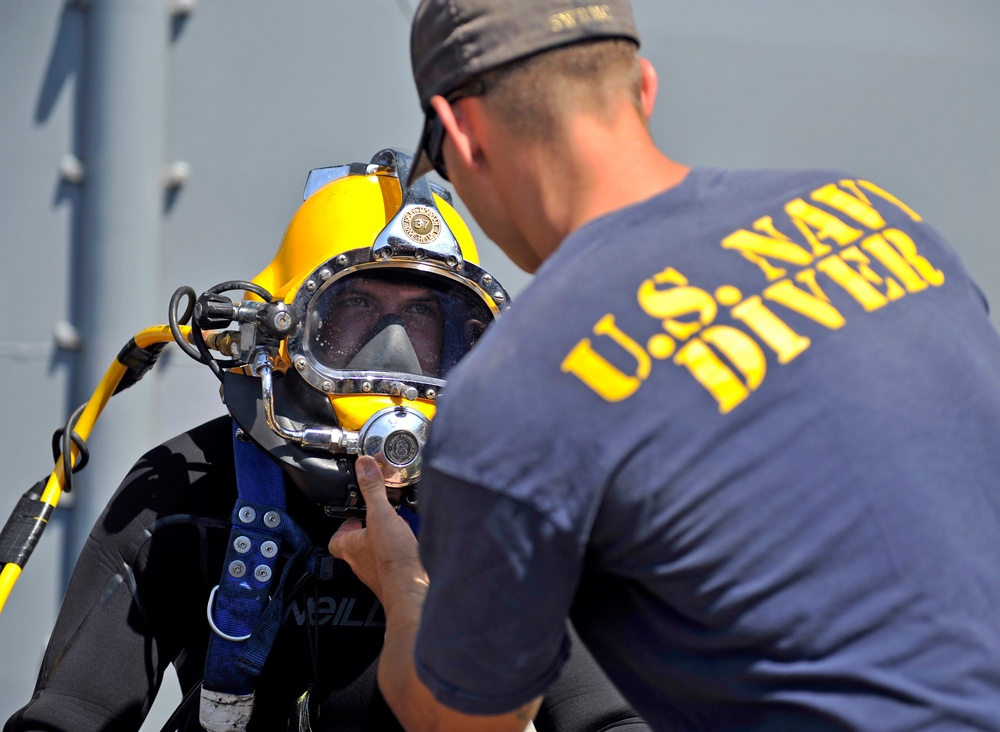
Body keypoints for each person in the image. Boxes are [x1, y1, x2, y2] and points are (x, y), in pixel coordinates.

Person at [328, 3, 1000, 731]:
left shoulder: (522, 384)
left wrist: (406, 583)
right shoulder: (873, 216)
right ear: (643, 89)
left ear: (461, 135)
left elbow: (458, 721)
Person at [4, 149, 648, 732]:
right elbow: (68, 717)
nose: (389, 346)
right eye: (358, 307)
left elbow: (612, 720)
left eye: (421, 313)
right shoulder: (183, 491)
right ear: (282, 332)